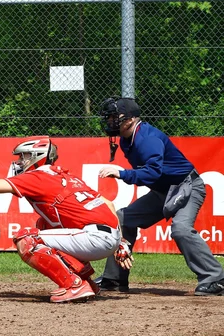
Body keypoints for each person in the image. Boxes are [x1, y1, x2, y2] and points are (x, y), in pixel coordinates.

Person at [0, 137, 132, 303]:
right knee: (43, 225)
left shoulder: (37, 176)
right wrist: (120, 242)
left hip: (94, 238)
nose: (19, 162)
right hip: (106, 237)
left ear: (37, 157)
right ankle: (87, 283)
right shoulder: (66, 176)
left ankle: (75, 285)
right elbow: (109, 204)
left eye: (24, 157)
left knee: (27, 239)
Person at [96, 97, 224, 296]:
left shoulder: (147, 138)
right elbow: (153, 175)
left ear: (129, 120)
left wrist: (122, 173)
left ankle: (215, 278)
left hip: (186, 186)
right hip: (163, 191)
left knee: (180, 229)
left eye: (114, 117)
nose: (110, 121)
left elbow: (153, 172)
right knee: (122, 218)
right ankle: (114, 279)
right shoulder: (125, 139)